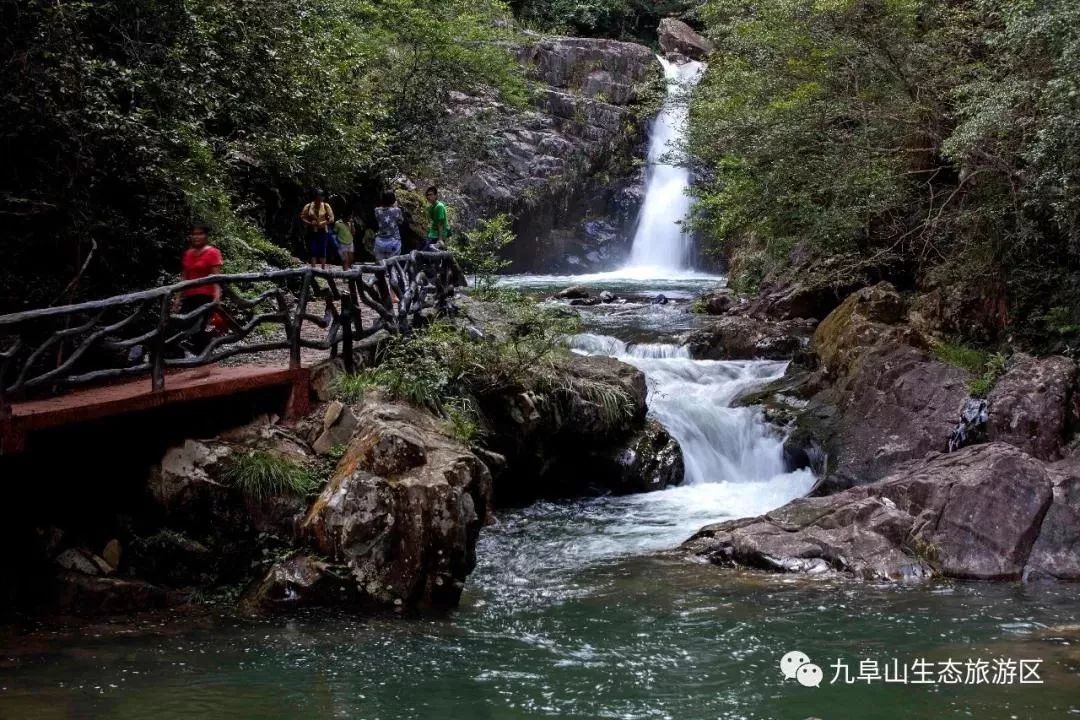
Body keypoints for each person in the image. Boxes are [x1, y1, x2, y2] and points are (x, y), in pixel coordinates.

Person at [173, 222, 223, 356]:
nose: (196, 237)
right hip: (189, 297)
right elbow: (184, 278)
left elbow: (216, 278)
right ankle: (189, 355)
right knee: (181, 324)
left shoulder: (213, 252)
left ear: (206, 235)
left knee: (198, 327)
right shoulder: (188, 254)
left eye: (200, 234)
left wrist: (217, 297)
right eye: (194, 234)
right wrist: (177, 299)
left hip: (205, 297)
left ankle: (202, 357)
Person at [374, 191, 405, 304]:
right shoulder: (397, 210)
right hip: (393, 242)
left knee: (379, 269)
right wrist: (395, 206)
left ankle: (381, 294)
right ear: (393, 200)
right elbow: (401, 221)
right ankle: (393, 295)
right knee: (393, 269)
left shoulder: (377, 210)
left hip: (379, 242)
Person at [300, 189, 335, 269]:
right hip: (312, 230)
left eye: (321, 197)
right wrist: (310, 223)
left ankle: (323, 268)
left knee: (323, 249)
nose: (320, 199)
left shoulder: (326, 206)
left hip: (323, 230)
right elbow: (302, 217)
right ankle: (313, 268)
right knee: (313, 250)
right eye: (318, 197)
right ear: (315, 197)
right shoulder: (309, 206)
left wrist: (324, 222)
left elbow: (332, 218)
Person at [424, 185, 450, 250]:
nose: (428, 197)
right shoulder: (431, 207)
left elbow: (440, 224)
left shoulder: (439, 206)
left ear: (436, 195)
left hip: (437, 235)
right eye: (427, 195)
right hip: (433, 234)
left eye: (431, 194)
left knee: (425, 252)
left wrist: (440, 239)